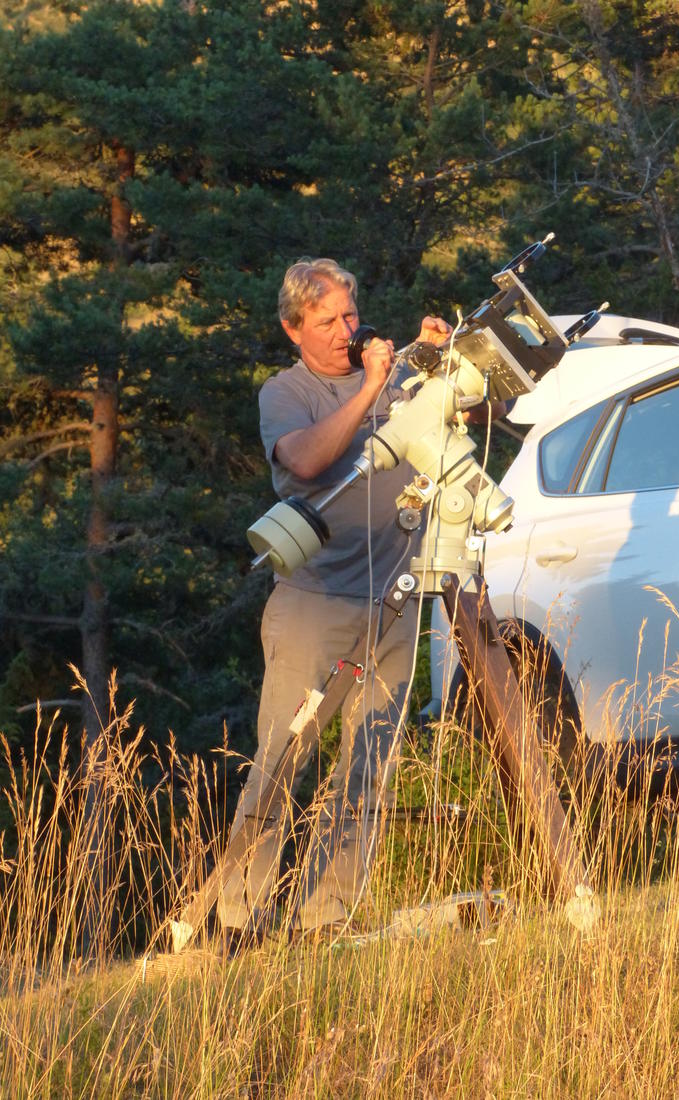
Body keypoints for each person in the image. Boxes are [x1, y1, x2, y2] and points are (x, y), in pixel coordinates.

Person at [212, 258, 453, 942]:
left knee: (368, 762)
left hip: (394, 604)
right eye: (328, 322)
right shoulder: (285, 392)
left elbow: (481, 411)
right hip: (317, 609)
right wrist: (370, 386)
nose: (347, 330)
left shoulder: (401, 374)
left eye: (351, 315)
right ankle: (241, 917)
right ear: (293, 329)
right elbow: (310, 461)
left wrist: (440, 361)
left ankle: (325, 918)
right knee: (286, 756)